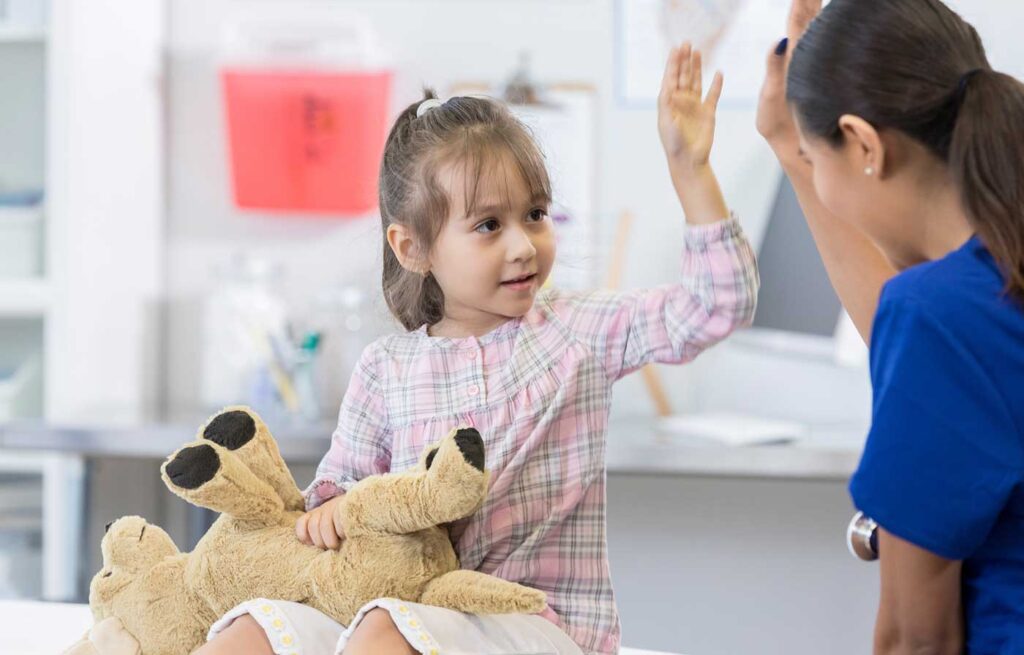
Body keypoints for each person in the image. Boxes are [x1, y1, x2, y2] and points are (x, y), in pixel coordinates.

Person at [198, 44, 758, 655]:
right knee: (248, 629)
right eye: (489, 225)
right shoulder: (386, 370)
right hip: (404, 606)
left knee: (385, 630)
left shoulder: (578, 331)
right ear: (413, 248)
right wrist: (328, 510)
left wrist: (691, 172)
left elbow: (716, 305)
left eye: (535, 215)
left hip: (538, 623)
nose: (522, 245)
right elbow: (341, 483)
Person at [757, 1, 1024, 652]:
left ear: (865, 145)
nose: (818, 184)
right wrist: (796, 150)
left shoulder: (937, 314)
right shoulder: (979, 295)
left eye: (819, 161)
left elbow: (916, 638)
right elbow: (951, 378)